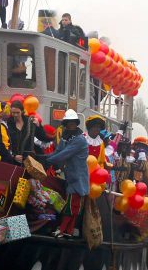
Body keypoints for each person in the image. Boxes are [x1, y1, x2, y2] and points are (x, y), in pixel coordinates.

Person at [42, 110, 89, 238]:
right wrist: (42, 157)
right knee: (71, 206)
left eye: (73, 123)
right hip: (70, 178)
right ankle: (67, 230)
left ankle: (64, 230)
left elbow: (63, 154)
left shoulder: (79, 140)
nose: (71, 125)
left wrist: (46, 160)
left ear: (76, 124)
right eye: (68, 123)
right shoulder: (65, 137)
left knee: (71, 207)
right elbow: (58, 152)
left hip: (78, 179)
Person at [6, 99, 51, 164]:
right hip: (13, 160)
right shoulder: (8, 123)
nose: (15, 115)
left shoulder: (30, 122)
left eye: (17, 112)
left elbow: (43, 137)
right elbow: (5, 143)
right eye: (13, 112)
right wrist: (13, 156)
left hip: (28, 159)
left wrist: (39, 126)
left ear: (22, 111)